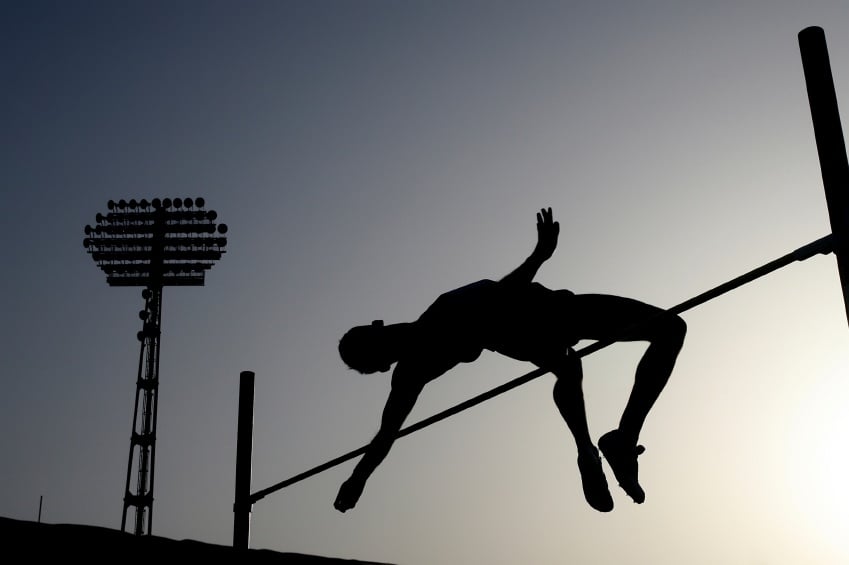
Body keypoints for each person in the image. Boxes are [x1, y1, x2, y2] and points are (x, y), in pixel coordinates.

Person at [334, 208, 686, 513]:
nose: (386, 336)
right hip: (545, 321)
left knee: (583, 361)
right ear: (382, 362)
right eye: (378, 348)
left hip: (543, 320)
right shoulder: (425, 346)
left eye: (376, 337)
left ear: (378, 327)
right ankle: (603, 447)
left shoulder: (422, 351)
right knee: (658, 334)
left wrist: (357, 480)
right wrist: (539, 255)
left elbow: (385, 436)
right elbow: (386, 434)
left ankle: (600, 447)